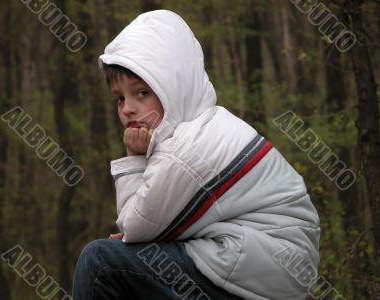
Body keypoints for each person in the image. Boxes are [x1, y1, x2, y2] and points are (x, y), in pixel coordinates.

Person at [73, 9, 320, 300]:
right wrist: (138, 234)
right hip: (267, 263)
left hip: (265, 266)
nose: (127, 108)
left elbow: (134, 225)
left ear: (173, 87)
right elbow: (146, 229)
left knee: (100, 262)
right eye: (120, 98)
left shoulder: (186, 151)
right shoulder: (204, 128)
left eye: (141, 93)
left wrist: (134, 158)